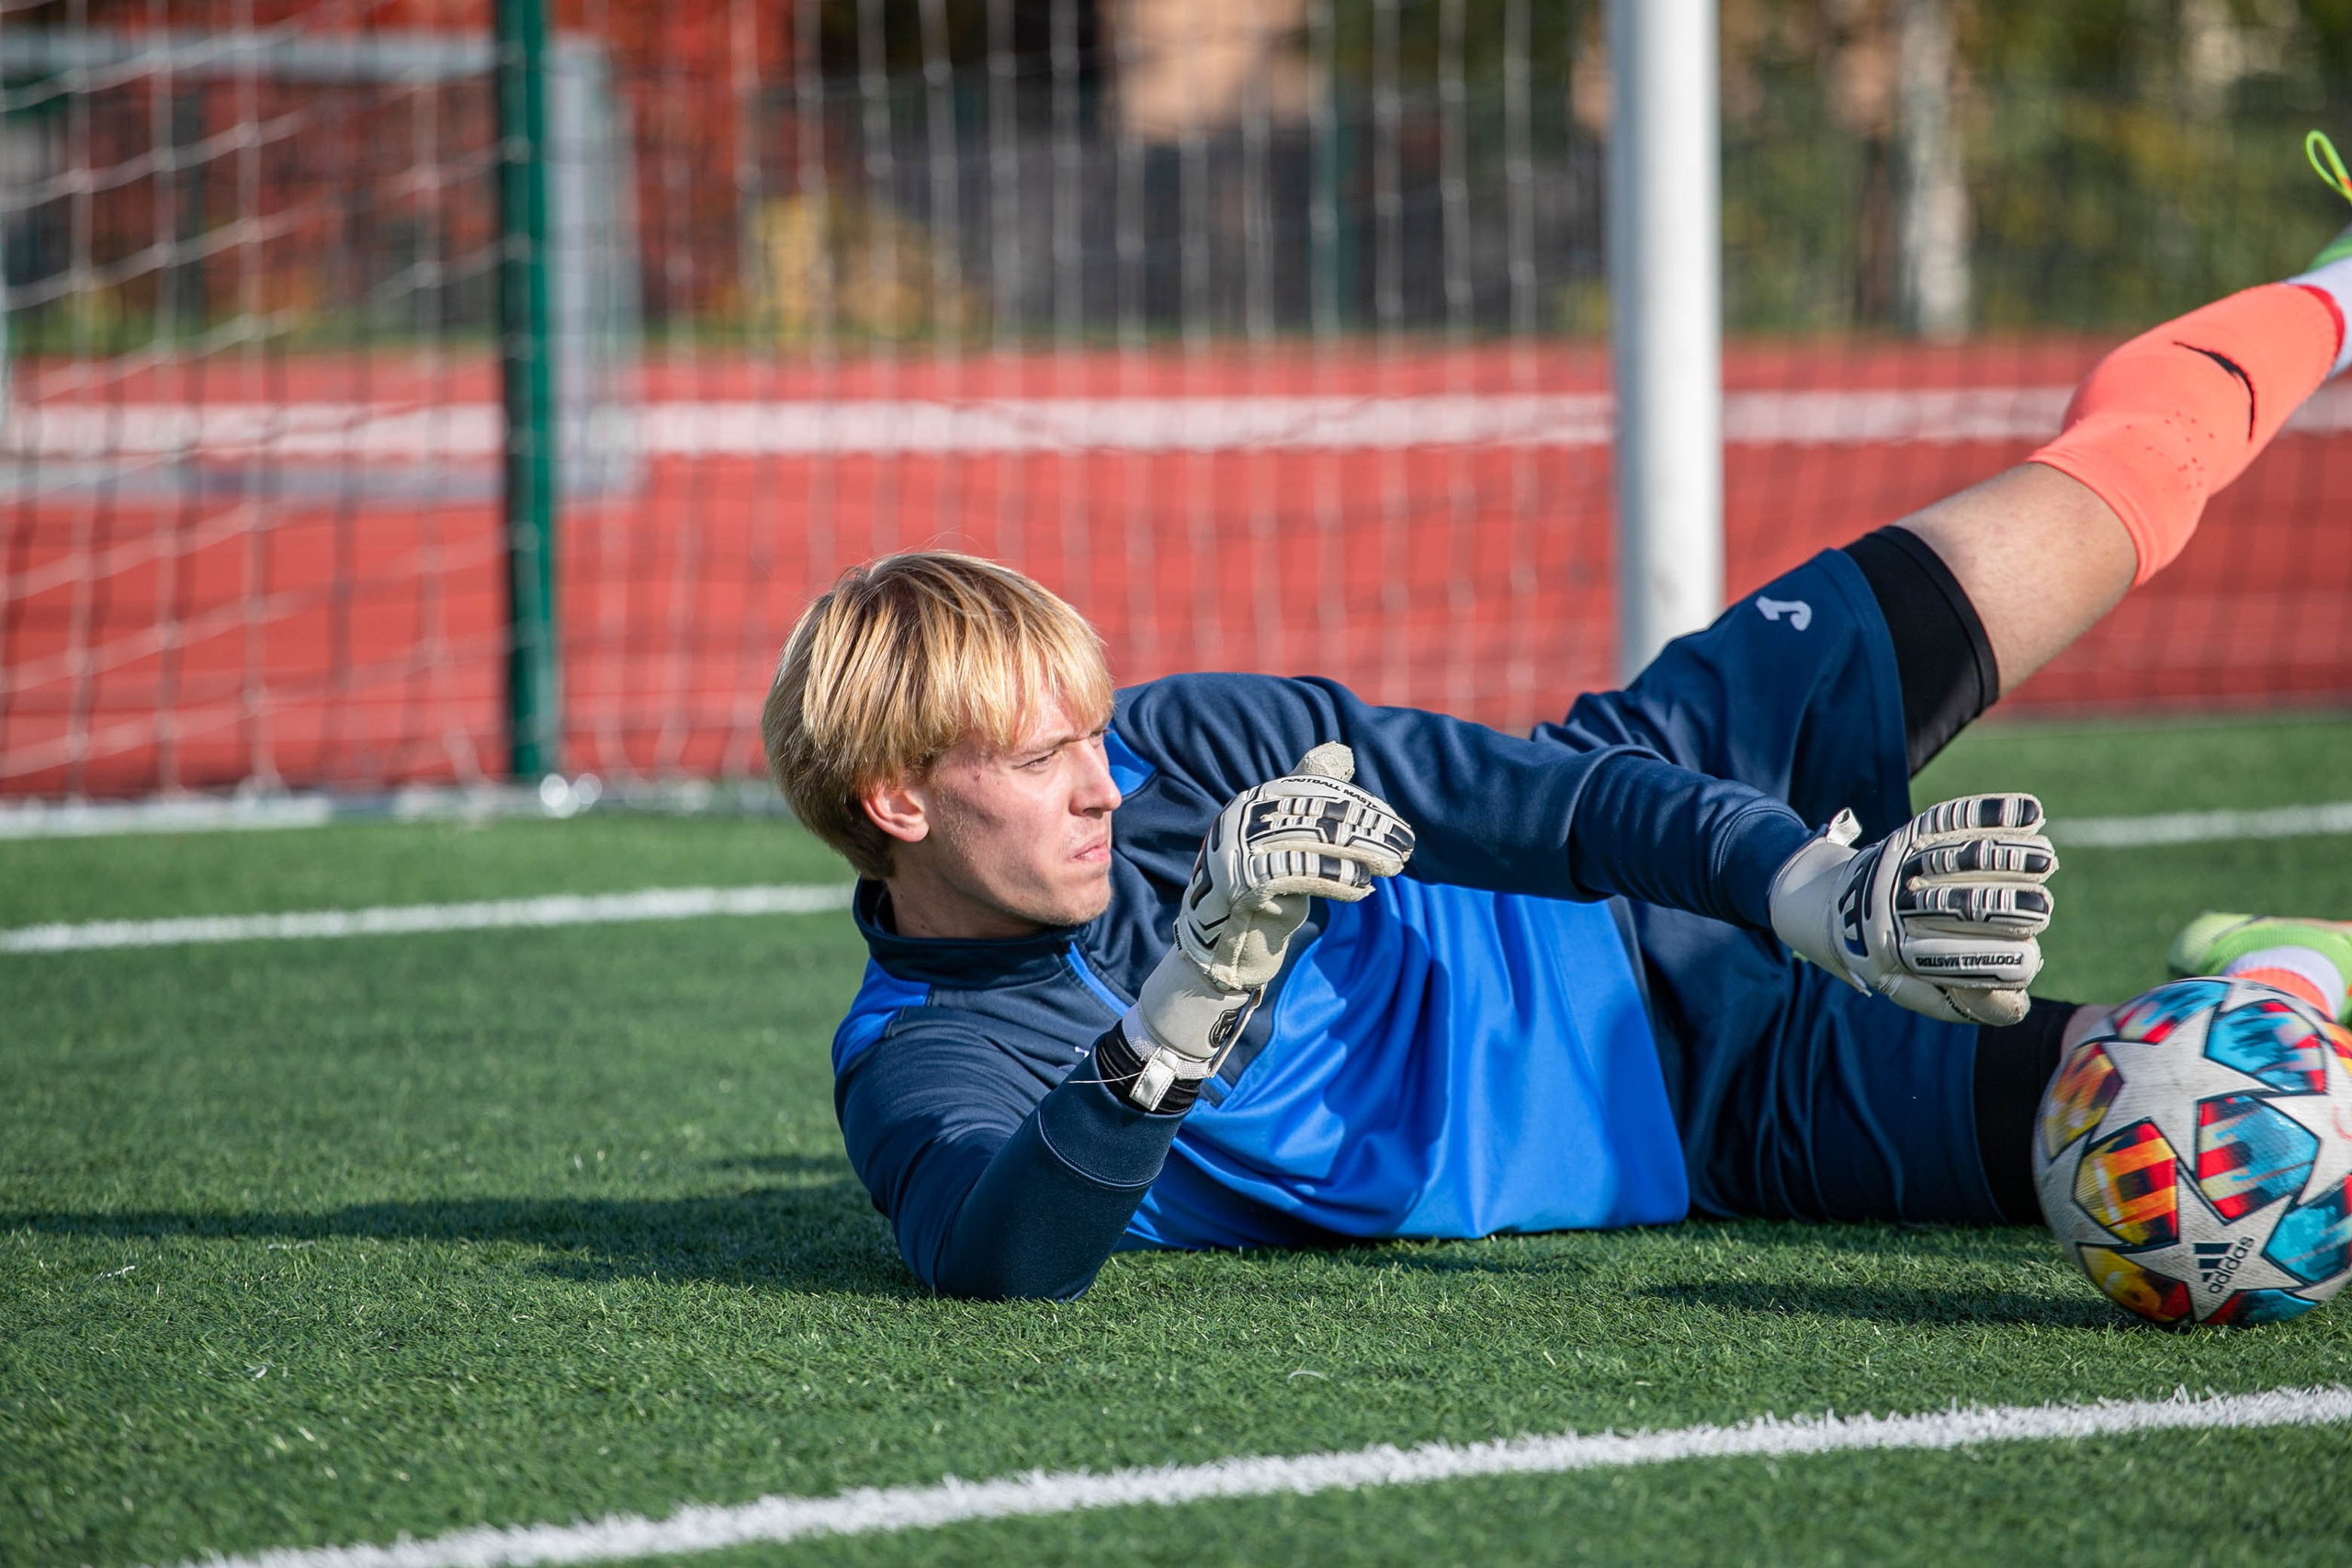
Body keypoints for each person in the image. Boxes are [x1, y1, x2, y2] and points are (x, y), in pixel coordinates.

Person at [758, 182, 2352, 1302]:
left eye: (1090, 734)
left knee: (2119, 483)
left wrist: (1807, 893)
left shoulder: (1194, 750)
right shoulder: (919, 1065)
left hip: (1674, 812)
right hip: (1731, 1116)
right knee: (2214, 1125)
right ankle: (2290, 982)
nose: (1107, 779)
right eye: (1042, 762)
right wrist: (1191, 1002)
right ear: (896, 797)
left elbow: (1547, 804)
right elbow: (1000, 1255)